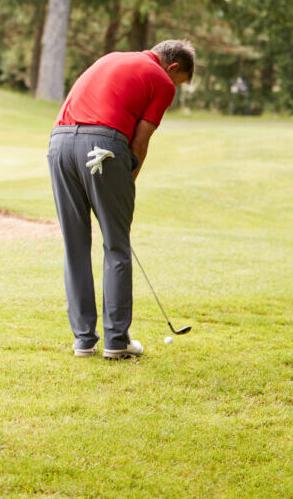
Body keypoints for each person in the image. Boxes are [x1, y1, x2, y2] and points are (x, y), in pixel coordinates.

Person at [47, 40, 195, 360]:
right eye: (177, 82)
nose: (173, 89)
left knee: (75, 245)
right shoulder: (160, 80)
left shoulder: (112, 57)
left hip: (59, 143)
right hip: (102, 146)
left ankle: (83, 341)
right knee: (116, 245)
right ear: (172, 68)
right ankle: (117, 341)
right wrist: (127, 184)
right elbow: (140, 141)